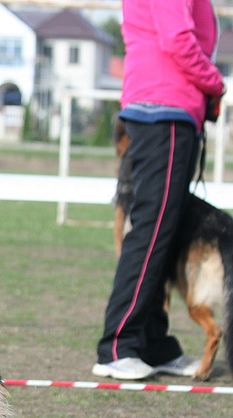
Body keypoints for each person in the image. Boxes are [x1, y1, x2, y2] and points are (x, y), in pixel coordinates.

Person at [92, 0, 225, 381]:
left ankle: (153, 345)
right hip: (163, 107)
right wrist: (215, 85)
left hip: (170, 108)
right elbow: (177, 39)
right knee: (151, 232)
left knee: (164, 234)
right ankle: (118, 347)